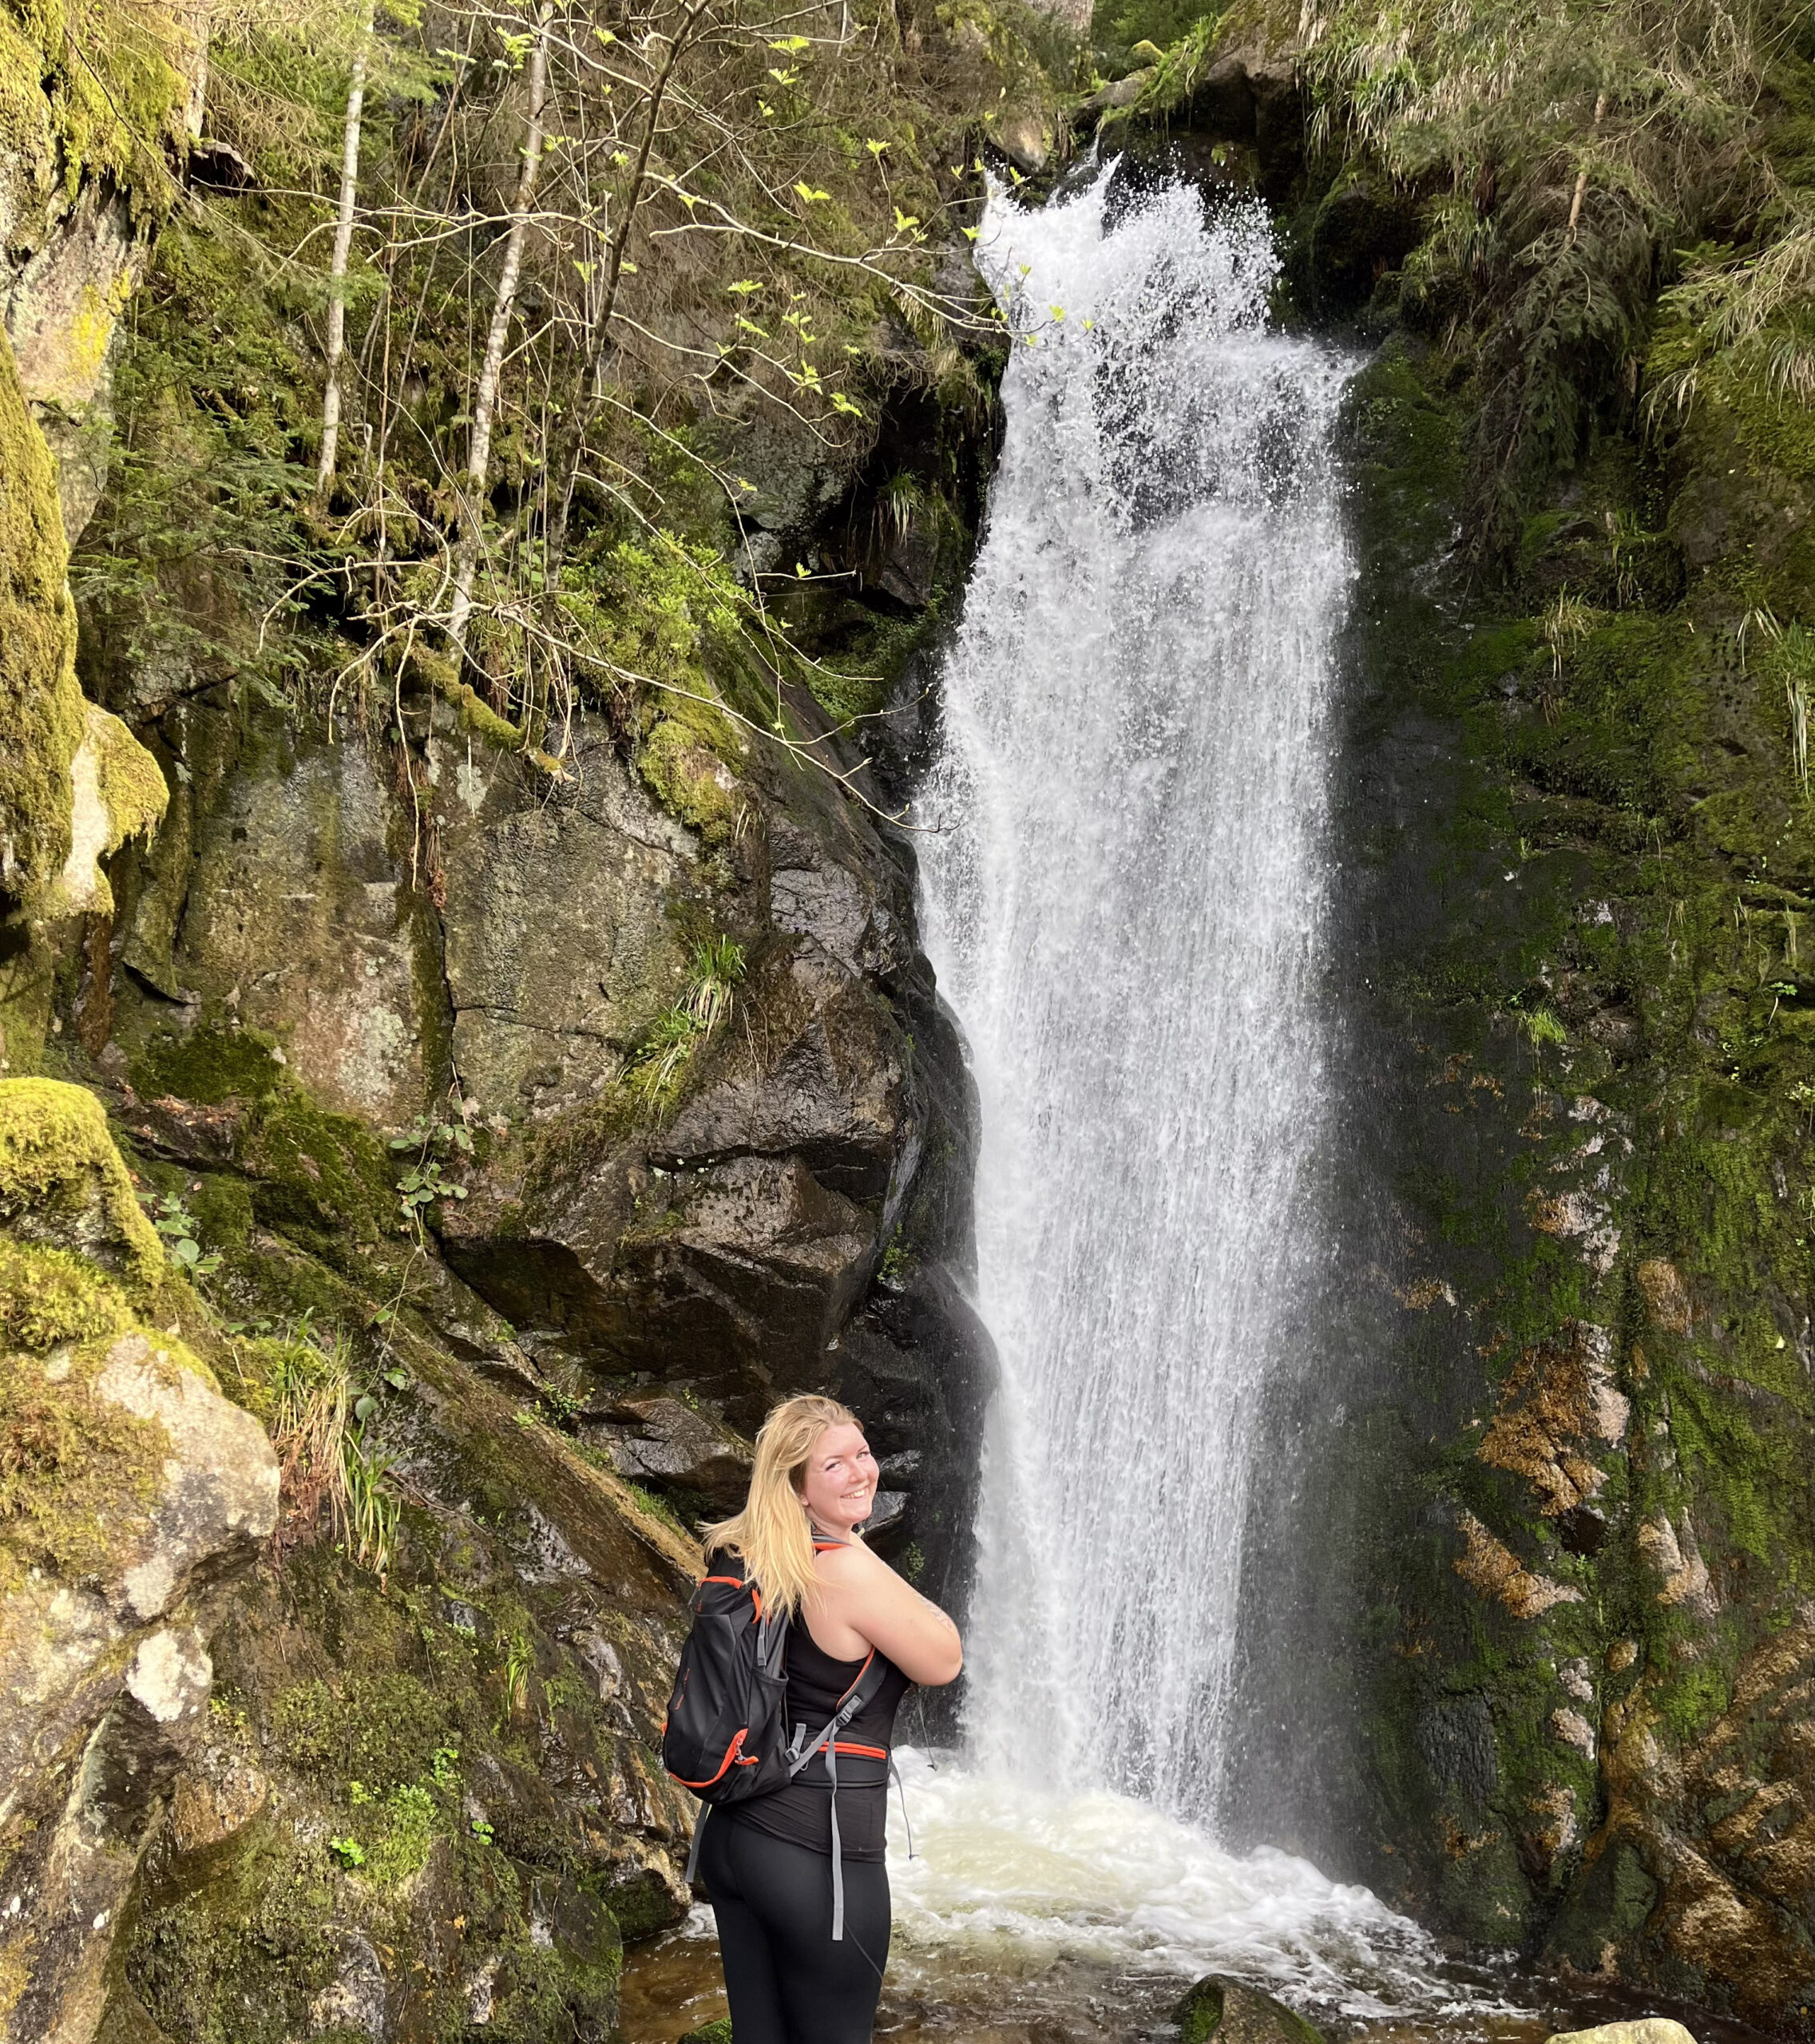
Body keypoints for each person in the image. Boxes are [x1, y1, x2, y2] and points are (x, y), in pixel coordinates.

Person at [695, 1393, 963, 2044]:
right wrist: (854, 1547)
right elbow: (943, 1657)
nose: (860, 1472)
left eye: (862, 1454)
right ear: (797, 1488)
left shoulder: (747, 1555)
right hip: (816, 1854)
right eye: (833, 1465)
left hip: (733, 1839)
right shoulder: (843, 1570)